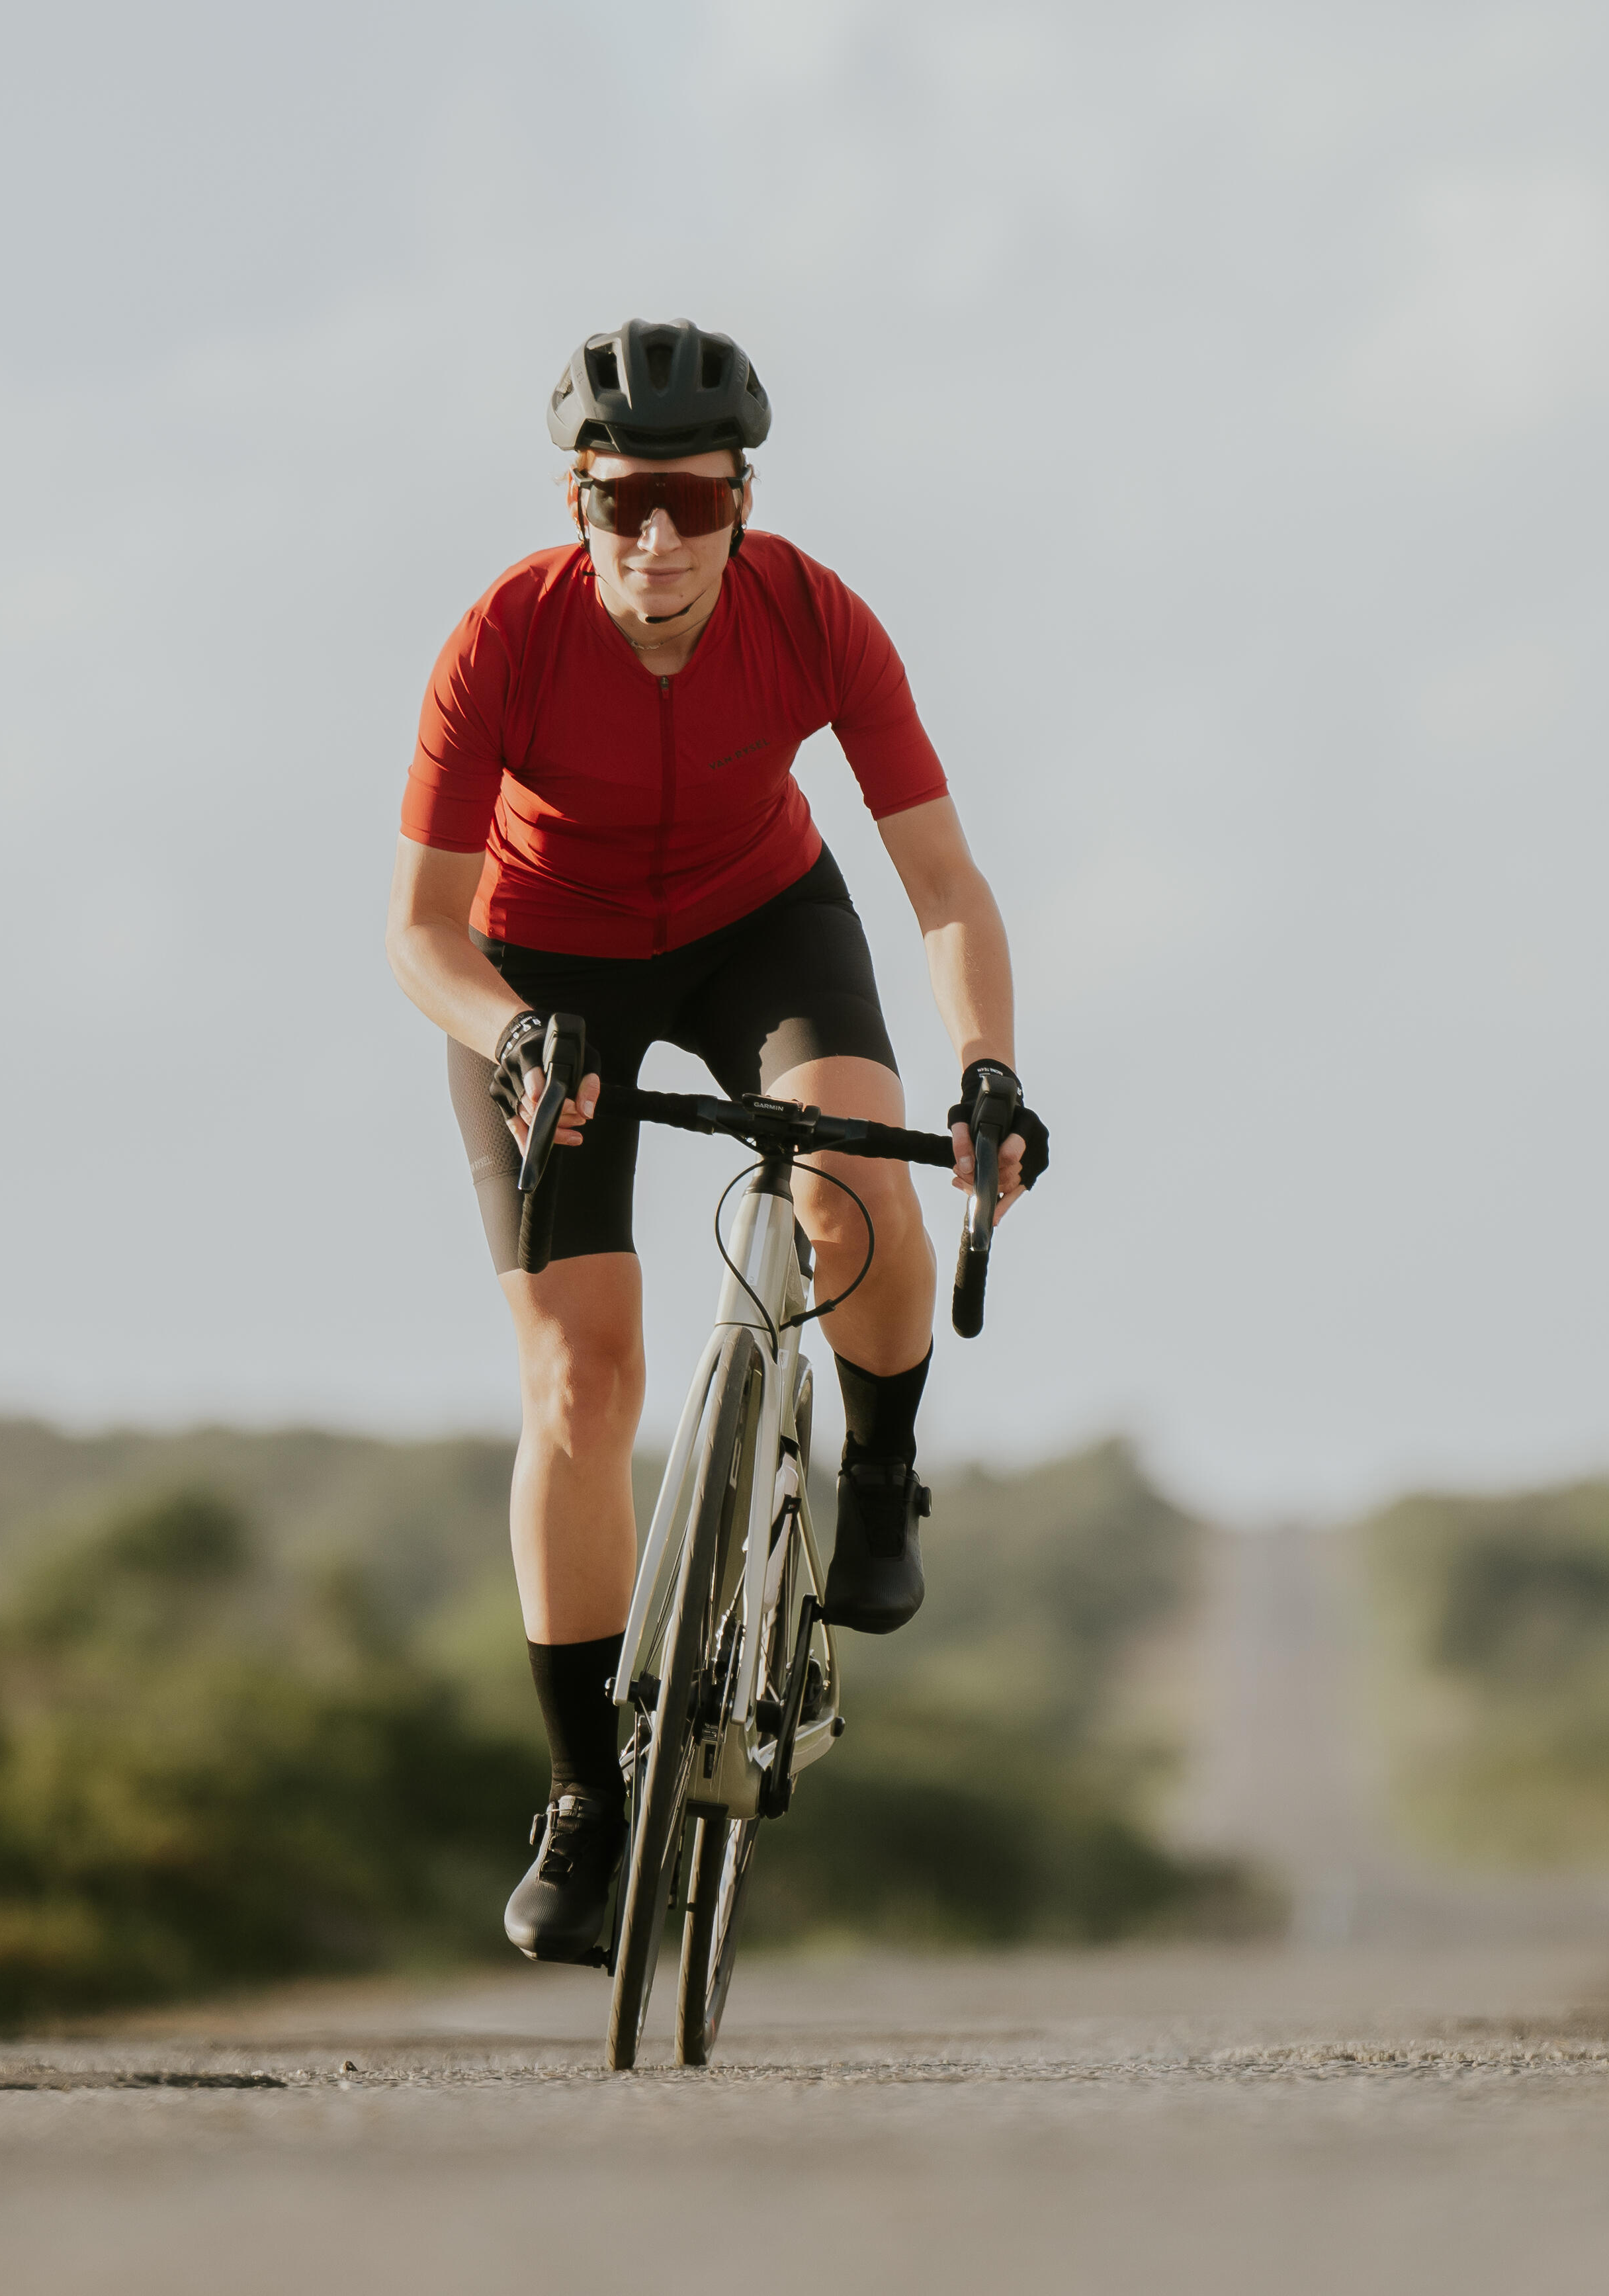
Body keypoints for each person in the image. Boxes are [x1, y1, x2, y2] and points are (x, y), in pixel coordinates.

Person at [385, 319, 1049, 1963]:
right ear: (576, 501)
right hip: (538, 971)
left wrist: (985, 1071)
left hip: (761, 923)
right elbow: (418, 930)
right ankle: (582, 1799)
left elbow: (945, 885)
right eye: (622, 505)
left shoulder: (813, 617)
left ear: (742, 498)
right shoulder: (503, 638)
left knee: (856, 1168)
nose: (657, 540)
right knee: (580, 1379)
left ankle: (879, 1455)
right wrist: (512, 1032)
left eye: (689, 501)